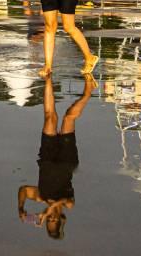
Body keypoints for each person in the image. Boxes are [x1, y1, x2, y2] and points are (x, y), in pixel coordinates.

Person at [17, 74, 94, 240]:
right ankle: (88, 92)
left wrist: (21, 209)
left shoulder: (40, 196)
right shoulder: (68, 204)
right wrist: (50, 207)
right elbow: (64, 202)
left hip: (46, 157)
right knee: (68, 117)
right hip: (67, 159)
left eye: (49, 220)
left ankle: (48, 78)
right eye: (54, 219)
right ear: (61, 219)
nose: (51, 217)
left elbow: (23, 190)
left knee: (50, 117)